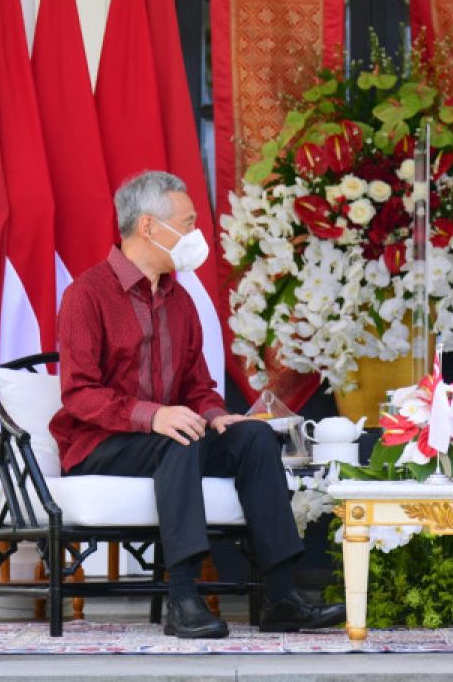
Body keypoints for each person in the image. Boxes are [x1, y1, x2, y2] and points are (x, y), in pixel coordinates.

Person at [50, 171, 344, 639]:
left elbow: (199, 386)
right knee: (177, 437)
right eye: (187, 223)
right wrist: (154, 416)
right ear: (148, 227)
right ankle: (183, 596)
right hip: (102, 444)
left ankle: (282, 594)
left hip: (170, 440)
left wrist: (214, 415)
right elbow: (80, 394)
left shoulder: (179, 300)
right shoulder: (86, 295)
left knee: (250, 436)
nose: (194, 235)